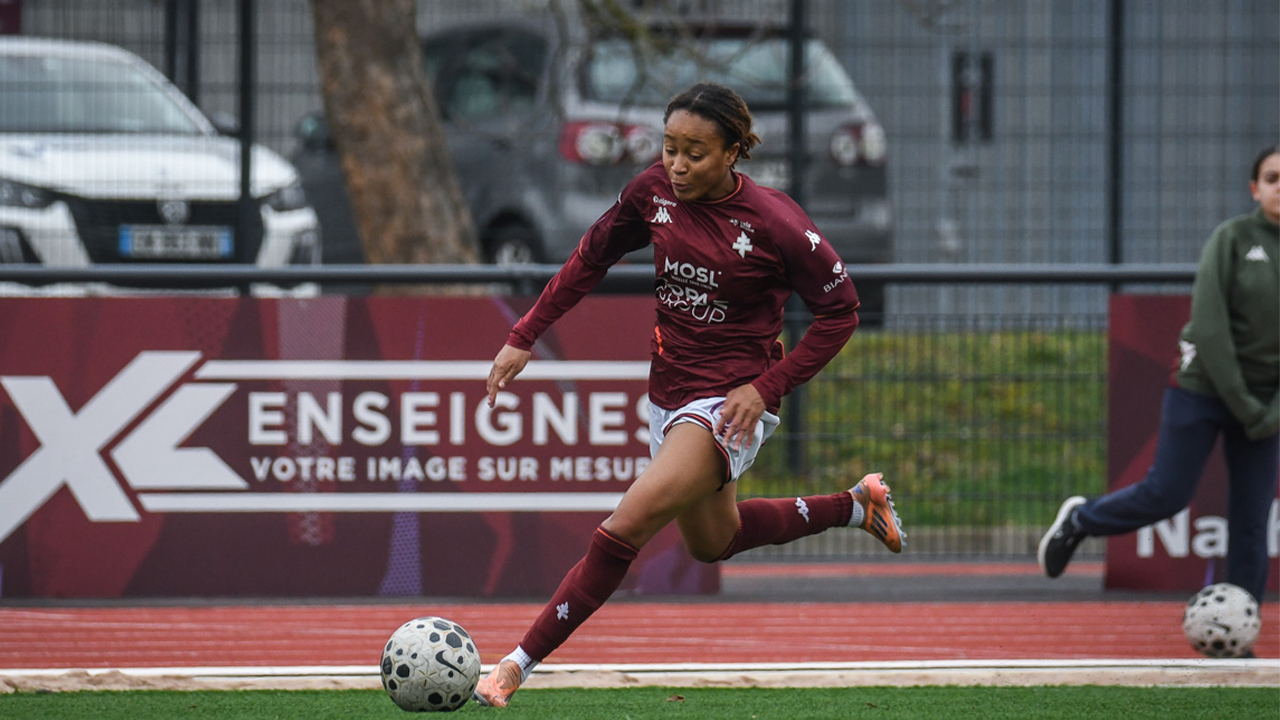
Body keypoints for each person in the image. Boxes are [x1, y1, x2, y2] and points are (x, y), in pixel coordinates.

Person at [472, 82, 905, 707]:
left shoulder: (776, 222)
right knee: (713, 542)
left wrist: (767, 386)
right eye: (670, 147)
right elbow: (590, 257)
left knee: (626, 525)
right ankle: (856, 506)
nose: (676, 164)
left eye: (695, 153)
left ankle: (515, 664)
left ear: (733, 152)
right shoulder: (652, 193)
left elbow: (841, 312)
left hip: (730, 404)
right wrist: (524, 334)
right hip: (669, 396)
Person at [1039, 145, 1280, 604]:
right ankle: (1081, 520)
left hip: (1264, 406)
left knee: (1252, 518)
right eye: (1272, 178)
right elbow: (1209, 328)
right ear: (1255, 188)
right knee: (1166, 494)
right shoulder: (1231, 239)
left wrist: (1271, 412)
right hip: (1204, 388)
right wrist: (1248, 405)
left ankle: (1240, 619)